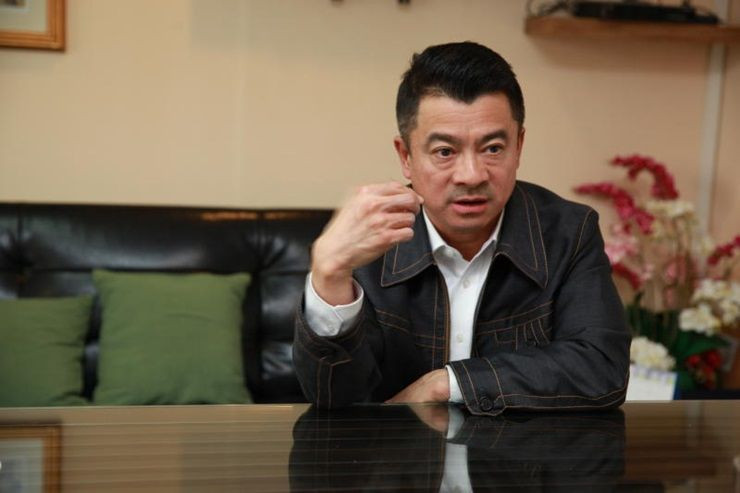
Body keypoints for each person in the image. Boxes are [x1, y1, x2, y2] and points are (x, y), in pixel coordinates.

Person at [293, 41, 630, 416]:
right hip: (396, 456)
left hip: (518, 454)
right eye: (445, 152)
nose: (471, 175)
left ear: (518, 146)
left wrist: (448, 384)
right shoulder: (368, 242)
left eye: (493, 148)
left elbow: (601, 369)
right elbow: (336, 402)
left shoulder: (569, 232)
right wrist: (329, 276)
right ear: (406, 156)